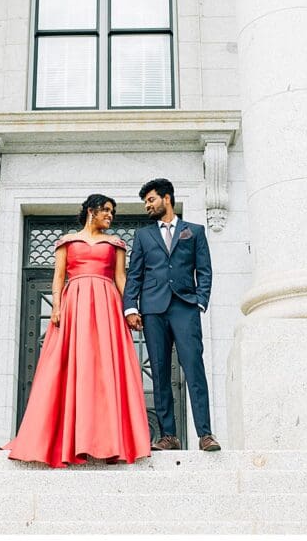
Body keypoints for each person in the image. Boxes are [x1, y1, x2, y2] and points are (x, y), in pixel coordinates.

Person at [3, 194, 151, 467]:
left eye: (112, 212)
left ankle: (112, 441)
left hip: (107, 306)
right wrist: (57, 307)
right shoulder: (66, 242)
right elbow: (59, 277)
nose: (111, 216)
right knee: (71, 367)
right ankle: (67, 438)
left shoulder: (116, 244)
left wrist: (131, 308)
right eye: (106, 210)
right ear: (91, 211)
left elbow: (121, 279)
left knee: (106, 369)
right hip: (75, 305)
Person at [122, 178, 221, 452]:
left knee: (194, 369)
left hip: (185, 306)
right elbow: (136, 273)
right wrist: (131, 306)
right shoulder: (143, 236)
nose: (147, 206)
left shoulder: (195, 231)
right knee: (160, 372)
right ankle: (169, 436)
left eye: (151, 200)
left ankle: (205, 434)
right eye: (145, 202)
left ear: (167, 198)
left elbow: (204, 269)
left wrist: (200, 301)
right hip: (153, 310)